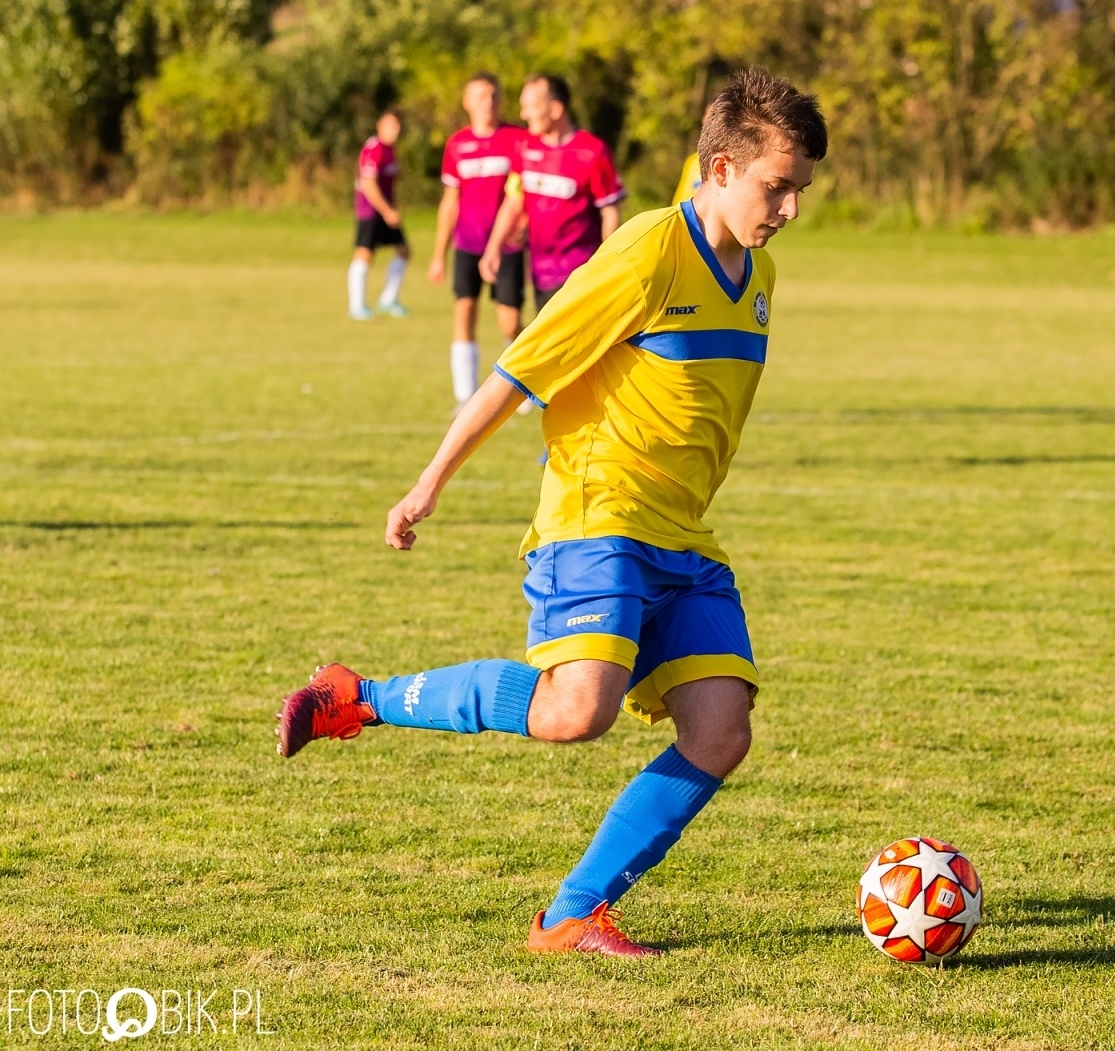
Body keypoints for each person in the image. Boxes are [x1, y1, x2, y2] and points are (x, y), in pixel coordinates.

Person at [276, 67, 828, 957]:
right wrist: (429, 482)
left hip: (682, 536)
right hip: (598, 513)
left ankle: (572, 916)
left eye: (800, 189)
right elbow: (520, 370)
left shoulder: (758, 271)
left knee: (722, 731)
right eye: (778, 187)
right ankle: (359, 699)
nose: (791, 209)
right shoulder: (647, 253)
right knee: (578, 712)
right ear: (721, 168)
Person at [480, 75, 625, 314]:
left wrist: (606, 263)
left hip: (579, 274)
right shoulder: (525, 147)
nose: (523, 114)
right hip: (540, 274)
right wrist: (493, 248)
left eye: (530, 107)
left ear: (556, 109)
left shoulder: (592, 152)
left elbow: (610, 213)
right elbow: (514, 201)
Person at [428, 73, 529, 411]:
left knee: (510, 322)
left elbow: (525, 191)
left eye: (493, 95)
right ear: (467, 102)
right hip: (468, 245)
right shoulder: (457, 145)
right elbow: (449, 202)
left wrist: (524, 223)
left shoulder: (517, 139)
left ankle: (522, 386)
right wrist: (438, 255)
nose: (488, 102)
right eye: (481, 96)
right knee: (464, 313)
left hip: (506, 248)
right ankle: (465, 397)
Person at [348, 110, 409, 321]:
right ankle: (356, 306)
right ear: (379, 126)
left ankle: (388, 300)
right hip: (371, 211)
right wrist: (386, 211)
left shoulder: (391, 150)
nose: (396, 130)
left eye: (397, 126)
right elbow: (368, 184)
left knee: (404, 251)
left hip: (385, 210)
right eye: (391, 125)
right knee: (364, 255)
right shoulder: (374, 149)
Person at [671, 103, 714, 204]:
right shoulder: (692, 162)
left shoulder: (734, 163)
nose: (706, 120)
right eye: (706, 115)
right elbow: (679, 202)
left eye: (713, 116)